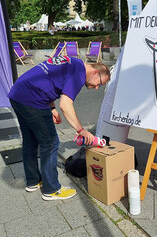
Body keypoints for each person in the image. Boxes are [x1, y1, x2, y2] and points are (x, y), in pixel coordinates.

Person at [8, 56, 110, 201]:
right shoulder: (79, 73)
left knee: (30, 141)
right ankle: (52, 189)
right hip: (33, 99)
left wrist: (51, 108)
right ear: (95, 72)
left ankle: (33, 181)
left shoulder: (73, 62)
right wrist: (81, 130)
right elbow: (66, 104)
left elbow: (49, 79)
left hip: (19, 93)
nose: (97, 88)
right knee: (50, 142)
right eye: (99, 83)